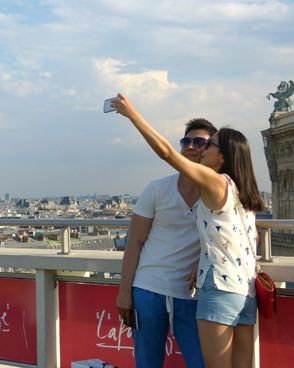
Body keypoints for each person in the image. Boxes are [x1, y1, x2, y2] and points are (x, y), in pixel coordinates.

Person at [112, 94, 264, 368]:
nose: (198, 149)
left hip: (216, 290)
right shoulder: (244, 193)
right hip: (245, 292)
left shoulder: (215, 183)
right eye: (189, 142)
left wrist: (132, 114)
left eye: (207, 144)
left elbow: (166, 154)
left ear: (222, 156)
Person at [116, 117, 217, 368]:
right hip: (149, 288)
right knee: (147, 363)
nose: (190, 146)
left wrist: (202, 259)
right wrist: (124, 291)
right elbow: (135, 242)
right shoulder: (157, 189)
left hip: (192, 294)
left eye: (199, 142)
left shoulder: (218, 192)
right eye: (186, 141)